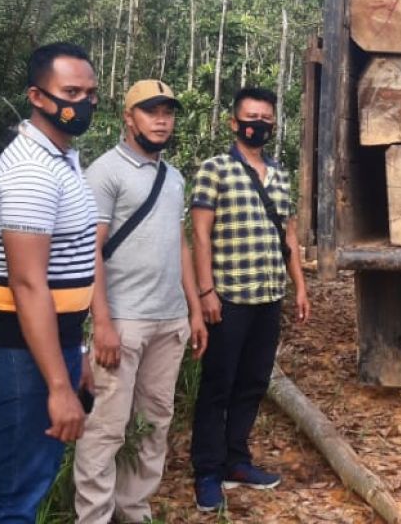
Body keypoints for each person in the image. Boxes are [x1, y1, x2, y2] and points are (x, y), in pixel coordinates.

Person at [0, 42, 99, 523]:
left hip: (43, 351)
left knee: (26, 485)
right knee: (11, 501)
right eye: (70, 91)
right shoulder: (30, 171)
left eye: (90, 93)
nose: (82, 102)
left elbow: (73, 265)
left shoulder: (61, 159)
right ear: (37, 97)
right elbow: (28, 285)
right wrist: (59, 387)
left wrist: (78, 348)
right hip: (19, 356)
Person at [73, 80, 208, 524]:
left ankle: (134, 510)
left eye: (167, 111)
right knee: (105, 429)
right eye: (151, 111)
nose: (161, 119)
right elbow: (90, 249)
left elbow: (181, 245)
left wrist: (192, 311)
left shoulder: (173, 177)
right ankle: (94, 516)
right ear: (128, 118)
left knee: (155, 423)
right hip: (124, 321)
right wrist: (103, 322)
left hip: (169, 321)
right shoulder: (105, 172)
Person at [189, 86, 311, 512]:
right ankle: (207, 470)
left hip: (268, 297)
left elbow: (289, 237)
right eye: (251, 117)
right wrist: (206, 292)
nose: (258, 124)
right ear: (233, 122)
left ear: (274, 125)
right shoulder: (215, 169)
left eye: (266, 119)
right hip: (229, 298)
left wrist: (298, 286)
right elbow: (200, 234)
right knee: (217, 386)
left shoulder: (279, 173)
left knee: (253, 382)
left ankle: (236, 461)